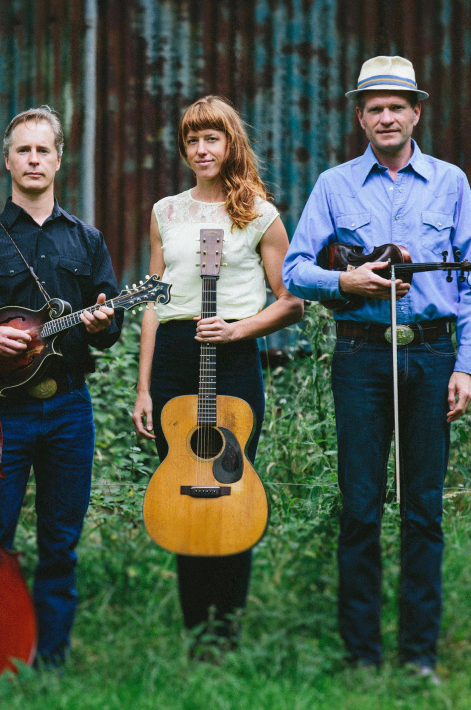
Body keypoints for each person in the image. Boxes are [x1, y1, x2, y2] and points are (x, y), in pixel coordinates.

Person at [283, 56, 471, 678]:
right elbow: (294, 270)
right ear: (360, 118)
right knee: (361, 508)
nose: (386, 117)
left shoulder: (452, 183)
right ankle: (361, 654)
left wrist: (464, 367)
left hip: (431, 352)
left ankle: (418, 654)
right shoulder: (334, 185)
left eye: (397, 106)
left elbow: (469, 285)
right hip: (361, 358)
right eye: (374, 108)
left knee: (423, 509)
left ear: (416, 113)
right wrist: (347, 280)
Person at [0, 106, 123, 666]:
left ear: (60, 160)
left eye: (44, 150)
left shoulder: (87, 240)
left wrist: (102, 323)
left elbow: (109, 328)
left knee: (61, 543)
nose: (34, 159)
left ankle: (50, 659)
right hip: (1, 413)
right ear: (7, 161)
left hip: (70, 409)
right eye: (24, 150)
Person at [132, 95, 303, 652]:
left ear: (230, 144)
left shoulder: (258, 212)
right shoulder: (166, 211)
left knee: (232, 490)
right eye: (192, 140)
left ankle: (225, 631)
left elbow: (290, 302)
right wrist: (143, 387)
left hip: (231, 355)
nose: (201, 150)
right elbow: (155, 302)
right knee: (181, 490)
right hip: (177, 358)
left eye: (212, 138)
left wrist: (238, 329)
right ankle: (194, 631)